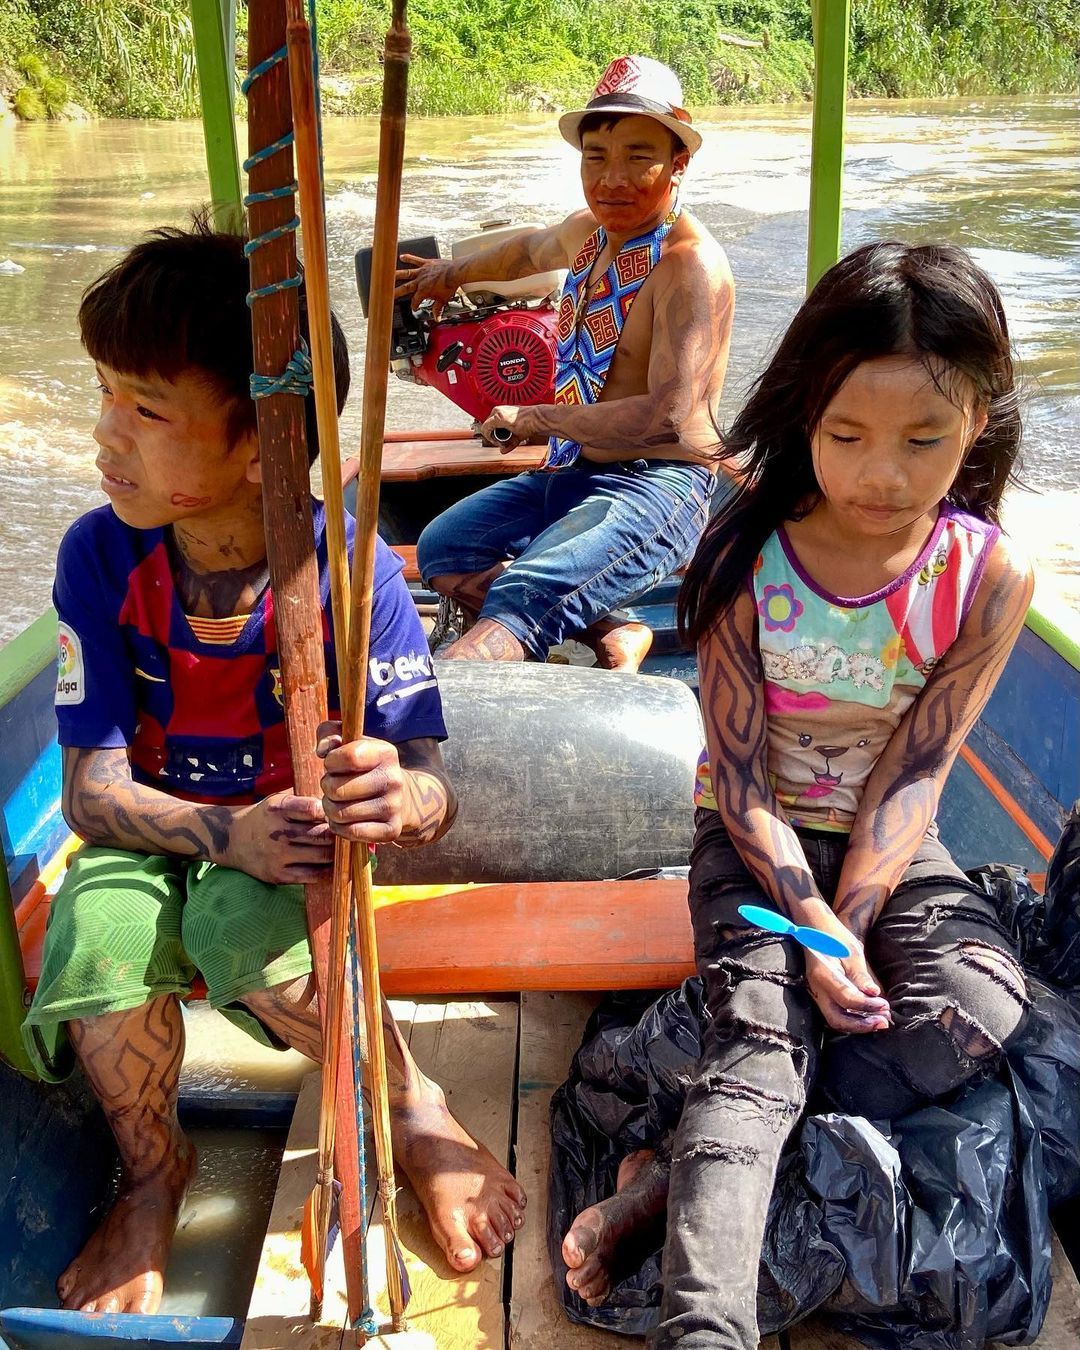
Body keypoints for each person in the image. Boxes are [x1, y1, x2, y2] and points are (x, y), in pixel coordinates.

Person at [22, 218, 526, 1317]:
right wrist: (223, 832)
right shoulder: (100, 555)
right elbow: (88, 796)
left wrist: (400, 795)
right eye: (105, 392)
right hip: (150, 833)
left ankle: (414, 1109)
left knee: (241, 928)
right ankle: (155, 1175)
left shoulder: (347, 576)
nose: (105, 434)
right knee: (93, 934)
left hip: (288, 851)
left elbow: (434, 793)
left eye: (146, 410)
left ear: (262, 442)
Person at [558, 241, 1036, 1346]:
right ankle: (707, 1324)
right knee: (758, 1045)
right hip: (754, 841)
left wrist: (853, 922)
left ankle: (673, 1171)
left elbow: (918, 768)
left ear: (977, 424)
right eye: (847, 437)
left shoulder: (991, 574)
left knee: (980, 1006)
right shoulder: (745, 552)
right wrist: (810, 923)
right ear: (803, 419)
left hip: (888, 845)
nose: (884, 476)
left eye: (925, 440)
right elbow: (736, 774)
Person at [397, 55, 735, 672]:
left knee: (518, 601)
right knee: (444, 551)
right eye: (596, 157)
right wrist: (450, 273)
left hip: (659, 485)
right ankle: (616, 629)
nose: (613, 179)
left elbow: (668, 417)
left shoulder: (690, 267)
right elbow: (527, 250)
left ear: (679, 161)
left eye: (639, 156)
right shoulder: (591, 231)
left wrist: (536, 418)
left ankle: (462, 697)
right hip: (574, 468)